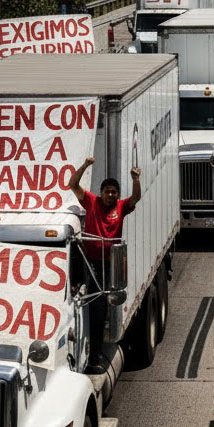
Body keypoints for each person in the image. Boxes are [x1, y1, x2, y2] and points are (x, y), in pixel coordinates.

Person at [70, 158, 142, 371]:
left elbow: (136, 197)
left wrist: (135, 179)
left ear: (118, 195)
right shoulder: (91, 201)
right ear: (100, 192)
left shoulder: (121, 207)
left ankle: (95, 357)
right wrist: (84, 165)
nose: (110, 195)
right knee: (86, 304)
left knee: (100, 309)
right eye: (107, 191)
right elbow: (72, 185)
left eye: (114, 192)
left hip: (108, 265)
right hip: (88, 261)